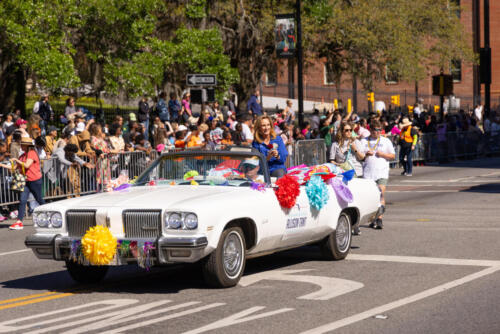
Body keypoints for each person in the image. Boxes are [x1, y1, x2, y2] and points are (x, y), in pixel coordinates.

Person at [357, 120, 395, 230]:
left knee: (380, 194)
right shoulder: (364, 141)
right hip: (368, 174)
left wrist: (382, 154)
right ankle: (373, 218)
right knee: (370, 198)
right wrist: (365, 154)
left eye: (380, 130)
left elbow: (392, 156)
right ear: (370, 130)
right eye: (375, 130)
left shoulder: (386, 141)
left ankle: (379, 219)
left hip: (381, 172)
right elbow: (359, 156)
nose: (378, 132)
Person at [9, 137, 45, 230]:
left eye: (22, 144)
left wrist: (16, 160)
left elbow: (26, 165)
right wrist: (2, 164)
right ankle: (19, 222)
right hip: (26, 181)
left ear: (26, 145)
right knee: (22, 200)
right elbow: (14, 168)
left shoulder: (32, 153)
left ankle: (50, 214)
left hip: (34, 180)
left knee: (39, 199)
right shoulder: (22, 156)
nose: (20, 146)